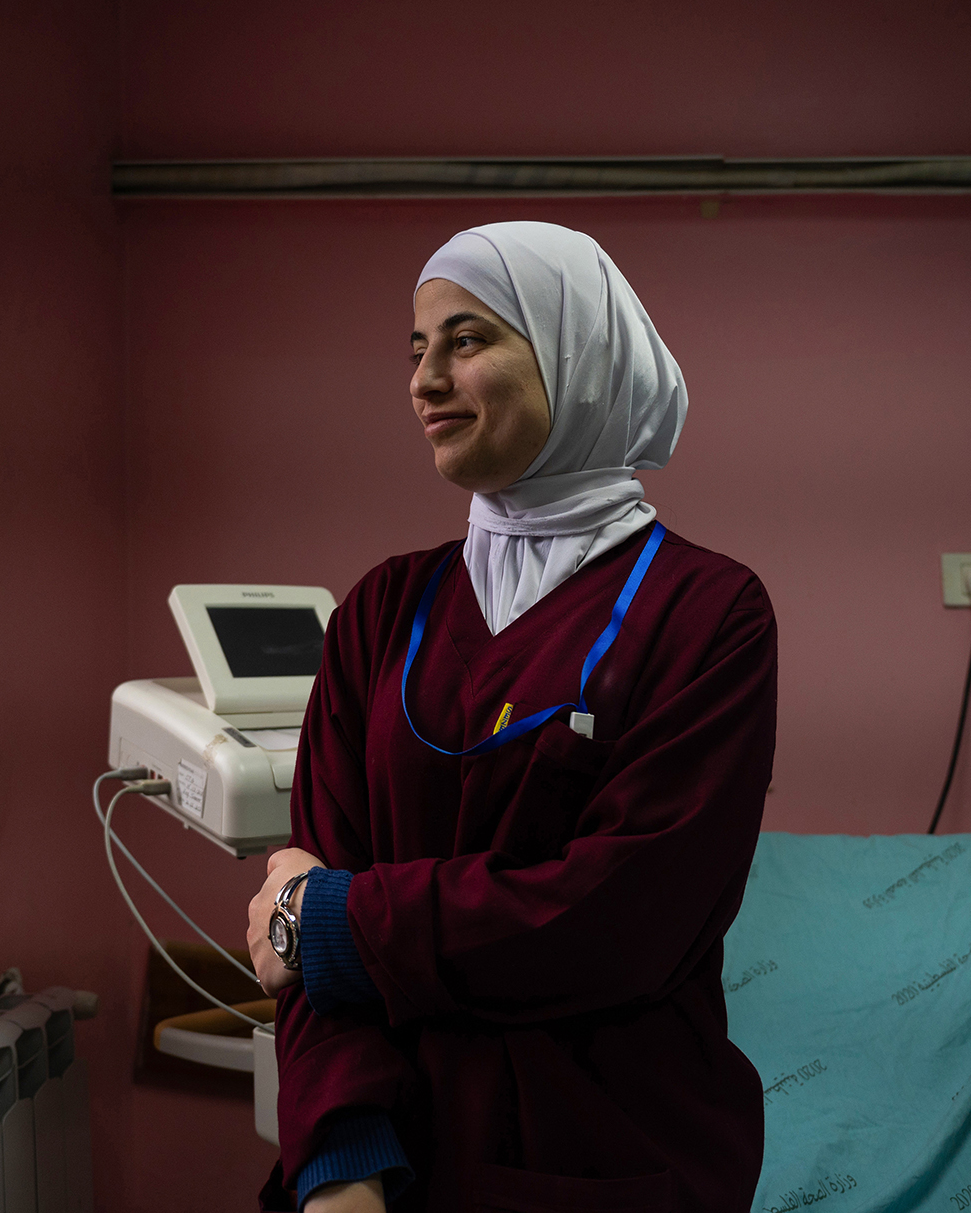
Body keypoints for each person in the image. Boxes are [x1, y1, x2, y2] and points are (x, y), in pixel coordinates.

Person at [246, 221, 777, 1212]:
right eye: (415, 349)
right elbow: (306, 930)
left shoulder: (707, 612)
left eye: (467, 339)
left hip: (611, 1155)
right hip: (386, 1163)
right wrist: (340, 1161)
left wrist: (332, 919)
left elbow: (620, 918)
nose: (423, 380)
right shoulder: (381, 609)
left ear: (576, 357)